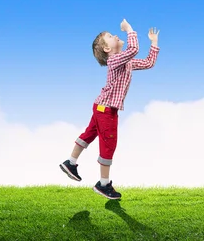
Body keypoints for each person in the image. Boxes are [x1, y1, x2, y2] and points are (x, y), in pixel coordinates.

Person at [59, 19, 160, 199]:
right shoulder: (114, 60)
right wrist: (129, 29)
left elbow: (148, 63)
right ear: (107, 49)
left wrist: (153, 42)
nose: (115, 35)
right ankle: (103, 184)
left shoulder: (126, 62)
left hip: (101, 107)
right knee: (108, 144)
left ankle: (70, 163)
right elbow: (134, 49)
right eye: (111, 36)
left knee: (89, 134)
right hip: (106, 110)